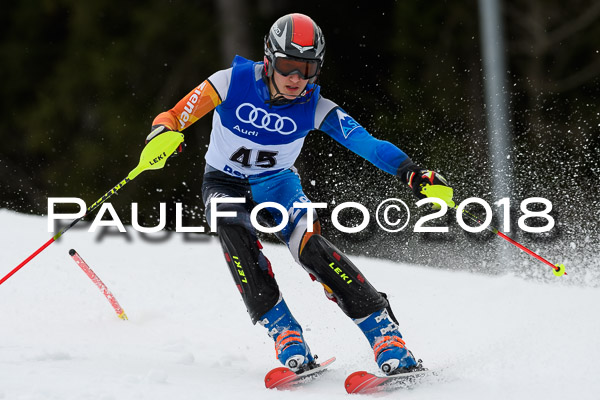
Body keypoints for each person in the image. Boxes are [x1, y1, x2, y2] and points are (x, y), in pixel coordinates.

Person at [147, 13, 451, 375]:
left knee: (312, 248)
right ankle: (284, 331)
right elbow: (174, 116)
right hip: (223, 182)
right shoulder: (229, 82)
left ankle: (384, 335)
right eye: (288, 66)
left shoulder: (316, 106)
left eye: (307, 69)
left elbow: (366, 144)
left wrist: (411, 172)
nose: (296, 79)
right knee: (233, 231)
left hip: (277, 185)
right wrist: (162, 134)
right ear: (269, 59)